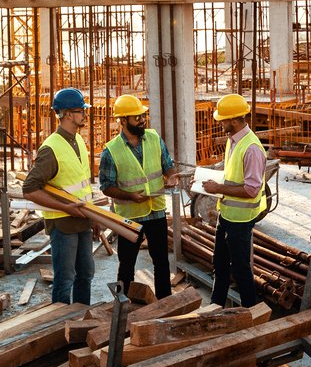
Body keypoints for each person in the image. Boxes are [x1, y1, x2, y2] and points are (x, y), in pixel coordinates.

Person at [98, 94, 186, 298]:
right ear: (122, 120)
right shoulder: (111, 151)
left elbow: (168, 166)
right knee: (127, 265)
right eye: (136, 117)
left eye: (142, 116)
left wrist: (172, 176)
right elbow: (106, 187)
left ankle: (164, 303)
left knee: (162, 263)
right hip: (130, 216)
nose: (142, 120)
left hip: (155, 211)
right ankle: (122, 305)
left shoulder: (154, 139)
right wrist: (129, 196)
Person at [23, 86, 97, 305]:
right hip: (63, 223)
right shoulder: (51, 148)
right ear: (66, 114)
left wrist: (93, 217)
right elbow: (29, 189)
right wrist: (66, 208)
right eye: (80, 110)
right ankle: (59, 328)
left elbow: (82, 185)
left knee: (86, 275)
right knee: (65, 279)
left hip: (83, 219)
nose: (84, 114)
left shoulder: (78, 141)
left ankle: (81, 321)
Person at [199, 93, 266, 307]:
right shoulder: (233, 141)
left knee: (240, 268)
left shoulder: (252, 148)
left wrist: (218, 188)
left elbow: (252, 189)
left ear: (235, 120)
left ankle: (250, 310)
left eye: (223, 119)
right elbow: (233, 174)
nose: (220, 122)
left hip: (241, 219)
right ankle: (216, 305)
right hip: (226, 214)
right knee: (219, 263)